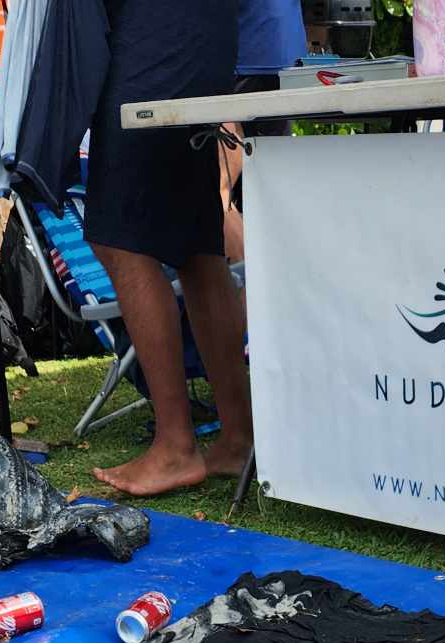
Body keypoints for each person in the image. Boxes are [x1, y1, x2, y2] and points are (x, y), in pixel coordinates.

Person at [85, 0, 303, 497]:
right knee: (196, 242)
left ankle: (176, 446)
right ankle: (239, 435)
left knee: (120, 238)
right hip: (198, 31)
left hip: (157, 33)